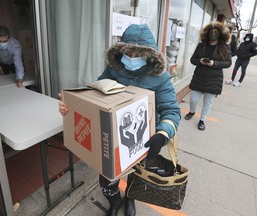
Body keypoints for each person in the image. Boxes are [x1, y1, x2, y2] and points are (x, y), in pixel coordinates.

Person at [58, 24, 181, 216]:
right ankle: (115, 202)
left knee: (136, 176)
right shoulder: (114, 69)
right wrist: (72, 107)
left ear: (149, 54)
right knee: (106, 179)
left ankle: (130, 198)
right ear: (120, 50)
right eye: (127, 52)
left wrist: (163, 133)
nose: (131, 58)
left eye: (137, 53)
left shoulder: (160, 77)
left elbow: (171, 110)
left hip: (145, 138)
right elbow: (95, 93)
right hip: (113, 137)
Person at [184, 21, 232, 131]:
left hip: (214, 78)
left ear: (220, 34)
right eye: (211, 32)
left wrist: (214, 63)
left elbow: (228, 63)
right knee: (194, 99)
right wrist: (200, 61)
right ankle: (192, 112)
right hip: (199, 76)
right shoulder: (201, 45)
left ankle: (202, 120)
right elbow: (192, 59)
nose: (213, 34)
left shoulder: (225, 47)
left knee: (208, 101)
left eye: (216, 32)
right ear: (207, 33)